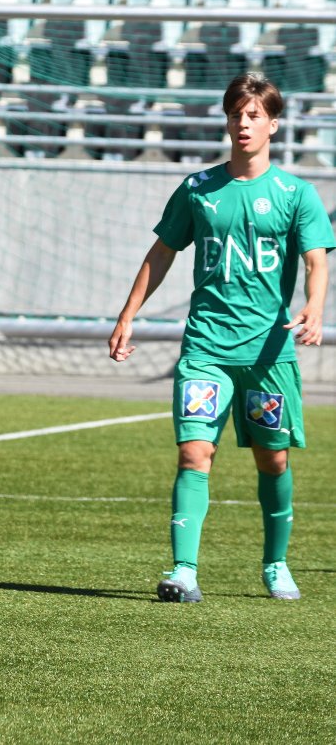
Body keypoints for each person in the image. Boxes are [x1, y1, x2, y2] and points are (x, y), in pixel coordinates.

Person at [108, 73, 333, 604]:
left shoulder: (296, 194)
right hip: (205, 348)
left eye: (254, 115)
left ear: (273, 124)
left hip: (267, 355)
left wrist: (315, 307)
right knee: (194, 453)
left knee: (273, 460)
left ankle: (276, 563)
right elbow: (162, 252)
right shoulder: (197, 189)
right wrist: (128, 314)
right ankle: (183, 571)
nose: (243, 124)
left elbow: (315, 260)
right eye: (236, 115)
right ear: (227, 122)